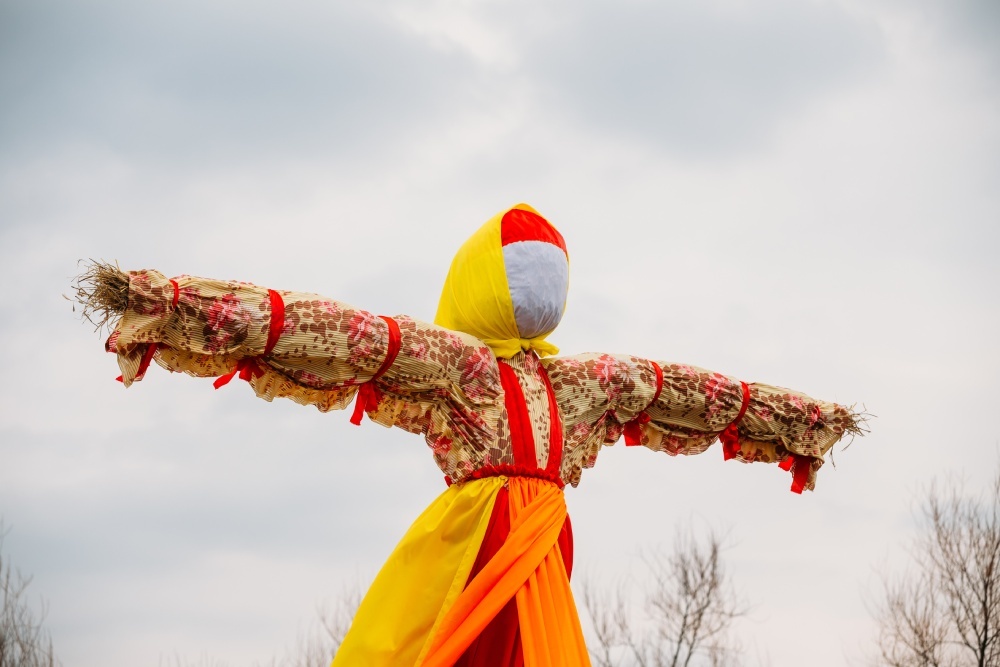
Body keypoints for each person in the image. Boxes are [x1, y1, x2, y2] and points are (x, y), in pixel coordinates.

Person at [88, 203, 862, 666]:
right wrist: (170, 303)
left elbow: (686, 392)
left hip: (524, 556)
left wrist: (803, 424)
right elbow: (340, 335)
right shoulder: (502, 370)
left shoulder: (553, 378)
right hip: (483, 548)